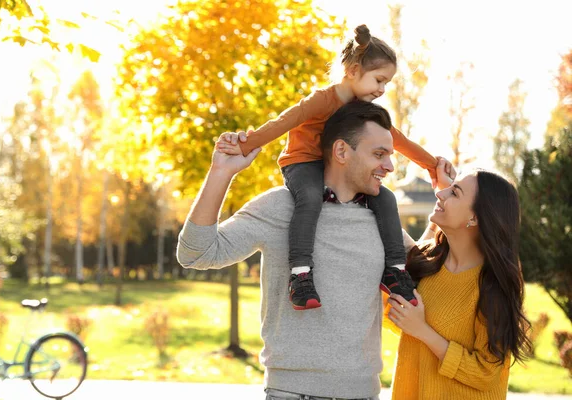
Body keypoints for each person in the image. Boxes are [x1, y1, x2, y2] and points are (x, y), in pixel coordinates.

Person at [178, 101, 437, 399]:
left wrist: (445, 204)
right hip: (292, 393)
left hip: (364, 393)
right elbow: (195, 253)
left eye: (389, 155)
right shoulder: (279, 207)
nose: (390, 166)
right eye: (379, 154)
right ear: (341, 152)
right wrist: (221, 172)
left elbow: (425, 268)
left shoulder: (382, 219)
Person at [216, 24, 452, 311]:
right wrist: (246, 144)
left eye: (386, 83)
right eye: (379, 80)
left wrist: (431, 164)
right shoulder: (321, 100)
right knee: (311, 196)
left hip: (333, 166)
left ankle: (394, 268)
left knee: (387, 198)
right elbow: (283, 122)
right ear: (352, 71)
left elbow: (396, 138)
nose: (382, 89)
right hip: (302, 162)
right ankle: (300, 273)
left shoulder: (359, 107)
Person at [386, 167, 532, 399]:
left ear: (475, 217)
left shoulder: (493, 285)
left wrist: (424, 331)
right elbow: (395, 315)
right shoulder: (428, 260)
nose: (439, 194)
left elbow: (485, 373)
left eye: (454, 193)